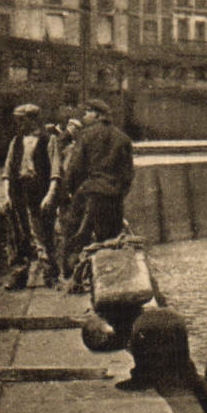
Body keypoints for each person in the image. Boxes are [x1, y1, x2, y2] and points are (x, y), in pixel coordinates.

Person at [64, 98, 135, 290]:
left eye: (87, 112)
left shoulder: (85, 136)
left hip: (88, 194)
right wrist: (118, 194)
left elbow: (74, 168)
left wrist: (70, 192)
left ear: (97, 114)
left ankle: (75, 280)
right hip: (113, 198)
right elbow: (128, 175)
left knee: (77, 237)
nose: (84, 116)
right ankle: (109, 285)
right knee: (110, 242)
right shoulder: (123, 138)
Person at [1, 103, 56, 289]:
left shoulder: (49, 141)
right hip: (18, 192)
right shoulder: (15, 141)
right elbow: (7, 170)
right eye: (17, 120)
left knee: (41, 232)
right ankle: (19, 274)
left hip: (39, 192)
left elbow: (56, 172)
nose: (18, 124)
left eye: (22, 120)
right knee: (17, 233)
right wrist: (7, 193)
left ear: (33, 120)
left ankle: (50, 273)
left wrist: (50, 194)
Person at [43, 113, 83, 286]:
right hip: (65, 192)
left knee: (67, 230)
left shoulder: (66, 142)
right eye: (74, 128)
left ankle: (67, 269)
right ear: (70, 127)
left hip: (67, 192)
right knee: (68, 230)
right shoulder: (63, 143)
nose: (76, 131)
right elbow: (60, 169)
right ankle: (67, 270)